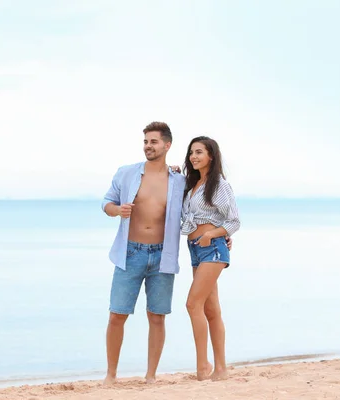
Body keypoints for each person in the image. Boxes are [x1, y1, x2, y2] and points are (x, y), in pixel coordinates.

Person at [101, 121, 185, 385]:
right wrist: (117, 211)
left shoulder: (180, 181)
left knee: (157, 316)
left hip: (163, 255)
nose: (148, 146)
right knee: (117, 314)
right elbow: (106, 202)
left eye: (154, 142)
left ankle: (151, 376)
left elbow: (202, 208)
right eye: (146, 141)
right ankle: (111, 375)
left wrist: (222, 235)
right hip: (130, 252)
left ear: (167, 145)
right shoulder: (126, 173)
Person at [181, 136, 240, 381]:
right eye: (191, 153)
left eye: (199, 152)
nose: (194, 157)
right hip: (195, 249)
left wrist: (212, 234)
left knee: (192, 304)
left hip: (212, 248)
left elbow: (233, 221)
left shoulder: (219, 186)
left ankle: (203, 366)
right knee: (211, 309)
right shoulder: (192, 184)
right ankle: (221, 369)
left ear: (211, 156)